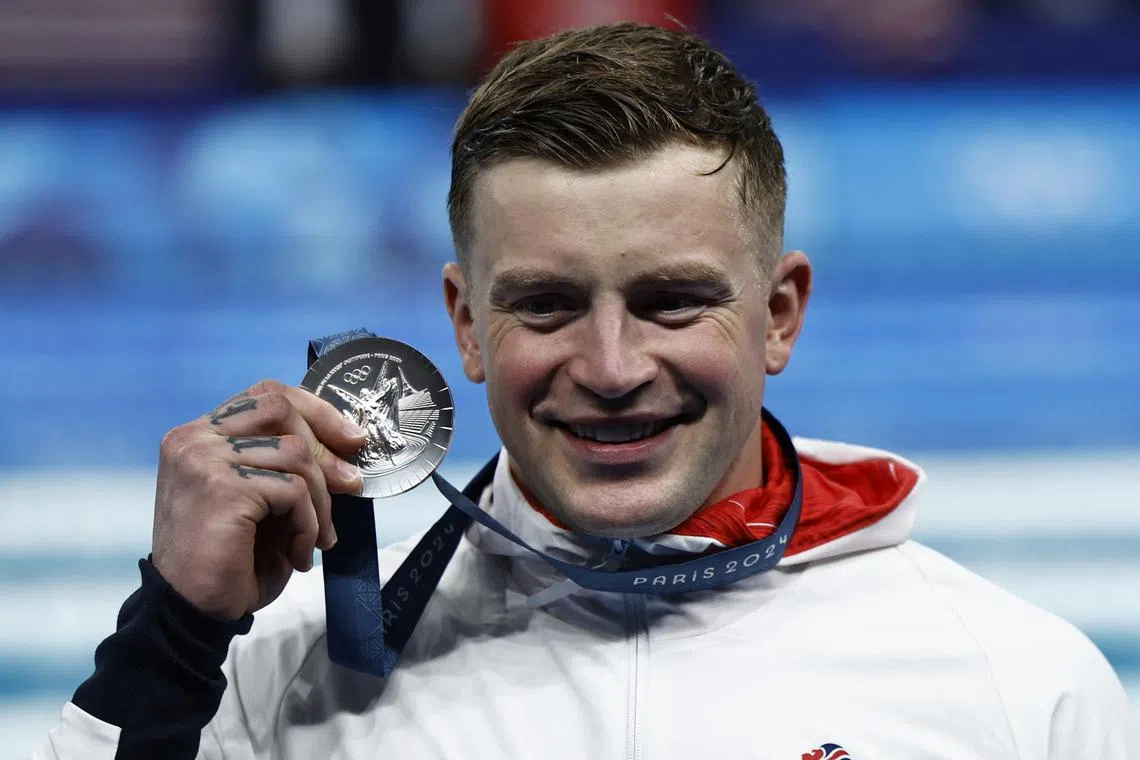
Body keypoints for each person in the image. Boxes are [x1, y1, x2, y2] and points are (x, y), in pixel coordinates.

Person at [36, 22, 1137, 760]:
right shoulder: (281, 684)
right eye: (549, 305)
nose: (611, 370)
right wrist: (172, 636)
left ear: (781, 315)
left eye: (670, 301)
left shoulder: (1015, 686)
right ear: (468, 324)